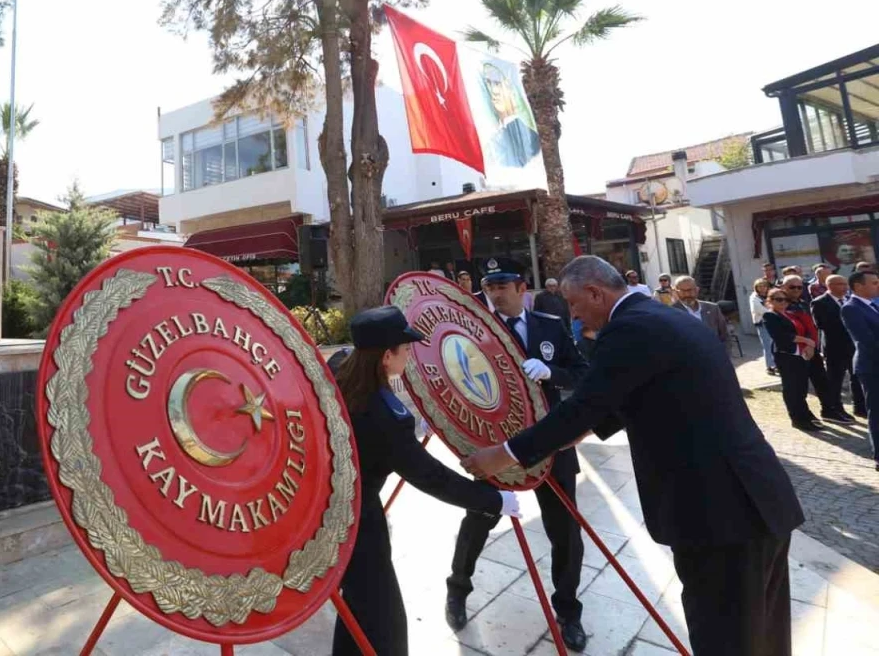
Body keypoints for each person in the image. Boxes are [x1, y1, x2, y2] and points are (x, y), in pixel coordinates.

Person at [461, 256, 804, 656]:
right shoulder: (661, 317)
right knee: (764, 634)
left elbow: (585, 404)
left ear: (595, 293)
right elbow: (642, 392)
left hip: (718, 513)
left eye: (574, 303)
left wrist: (503, 454)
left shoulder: (627, 329)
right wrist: (580, 433)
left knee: (726, 638)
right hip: (755, 501)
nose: (573, 314)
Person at [332, 306, 518, 656]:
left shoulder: (338, 373)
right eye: (405, 349)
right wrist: (494, 501)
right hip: (359, 521)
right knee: (381, 622)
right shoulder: (387, 416)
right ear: (387, 356)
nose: (409, 355)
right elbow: (431, 477)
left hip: (325, 508)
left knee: (356, 606)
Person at [445, 262, 589, 651]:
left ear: (522, 288)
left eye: (502, 285)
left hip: (550, 439)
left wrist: (552, 372)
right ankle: (458, 589)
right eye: (488, 286)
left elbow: (582, 373)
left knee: (565, 529)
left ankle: (568, 610)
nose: (494, 293)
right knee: (480, 518)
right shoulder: (476, 329)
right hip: (497, 444)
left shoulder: (549, 326)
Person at [783, 275, 849, 423]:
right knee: (797, 386)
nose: (796, 290)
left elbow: (812, 327)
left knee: (822, 381)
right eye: (792, 287)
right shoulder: (780, 304)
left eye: (799, 287)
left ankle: (829, 411)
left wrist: (811, 344)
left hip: (811, 348)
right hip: (793, 351)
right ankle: (801, 417)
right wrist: (805, 342)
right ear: (783, 287)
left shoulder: (803, 304)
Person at [763, 289, 826, 431]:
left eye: (785, 299)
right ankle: (798, 419)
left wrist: (809, 344)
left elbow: (806, 329)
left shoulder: (791, 314)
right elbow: (781, 335)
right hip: (786, 355)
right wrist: (806, 341)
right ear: (770, 301)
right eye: (778, 299)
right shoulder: (770, 315)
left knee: (801, 387)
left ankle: (805, 414)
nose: (783, 302)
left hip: (800, 354)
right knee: (792, 388)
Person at [839, 272, 879, 472]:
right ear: (858, 286)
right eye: (874, 283)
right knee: (876, 410)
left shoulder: (872, 305)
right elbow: (865, 340)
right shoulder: (851, 308)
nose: (878, 285)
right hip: (872, 367)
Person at [812, 275, 860, 424]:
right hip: (835, 347)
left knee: (856, 377)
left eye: (845, 284)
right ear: (830, 286)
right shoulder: (820, 302)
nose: (845, 287)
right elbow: (821, 324)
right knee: (835, 380)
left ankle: (860, 406)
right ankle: (835, 409)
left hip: (853, 346)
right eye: (840, 284)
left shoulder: (849, 299)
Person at [672, 276, 728, 345]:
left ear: (697, 290)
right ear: (676, 292)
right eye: (682, 291)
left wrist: (725, 351)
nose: (687, 294)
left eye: (690, 290)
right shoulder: (671, 313)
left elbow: (725, 336)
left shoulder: (713, 308)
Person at [750, 278, 778, 375]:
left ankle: (775, 364)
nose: (762, 288)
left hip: (772, 322)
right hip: (762, 323)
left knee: (775, 344)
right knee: (767, 345)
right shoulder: (754, 297)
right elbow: (759, 309)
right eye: (760, 286)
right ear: (756, 288)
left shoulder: (769, 295)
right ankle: (769, 366)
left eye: (764, 286)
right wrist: (773, 312)